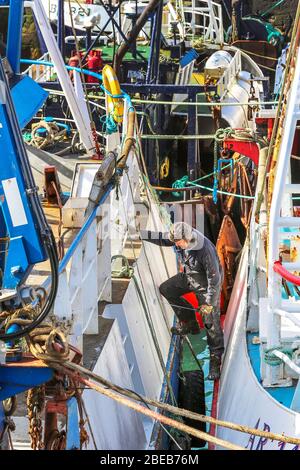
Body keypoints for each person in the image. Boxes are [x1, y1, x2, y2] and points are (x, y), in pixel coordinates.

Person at [141, 222, 224, 380]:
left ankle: (215, 360)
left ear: (188, 238)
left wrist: (208, 304)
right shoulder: (179, 238)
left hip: (205, 287)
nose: (176, 245)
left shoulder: (205, 250)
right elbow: (162, 238)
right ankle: (190, 323)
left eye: (178, 242)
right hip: (189, 277)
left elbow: (215, 280)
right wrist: (141, 234)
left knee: (211, 323)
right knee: (166, 289)